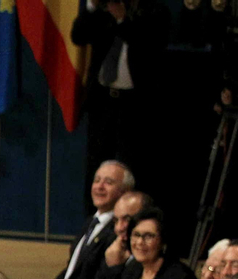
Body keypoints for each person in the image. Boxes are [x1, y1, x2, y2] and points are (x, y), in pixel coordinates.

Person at [71, 1, 169, 192]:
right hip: (102, 100)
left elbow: (148, 45)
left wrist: (122, 19)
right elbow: (78, 36)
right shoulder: (103, 11)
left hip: (134, 104)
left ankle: (130, 217)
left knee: (132, 168)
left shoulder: (154, 10)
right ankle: (96, 218)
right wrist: (91, 6)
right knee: (96, 167)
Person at [24, 161, 133, 279]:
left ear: (124, 192)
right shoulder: (90, 222)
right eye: (97, 180)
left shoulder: (119, 233)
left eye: (108, 182)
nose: (99, 187)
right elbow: (72, 270)